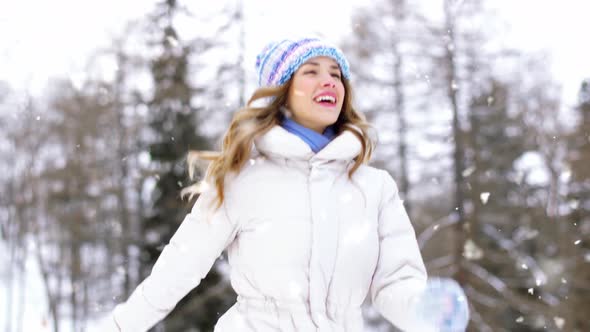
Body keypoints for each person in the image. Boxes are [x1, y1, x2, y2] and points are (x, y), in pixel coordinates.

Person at [101, 36, 449, 331]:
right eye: (310, 72)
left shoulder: (375, 188)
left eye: (336, 74)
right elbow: (177, 270)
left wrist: (425, 309)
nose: (329, 82)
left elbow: (396, 281)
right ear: (282, 93)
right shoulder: (242, 180)